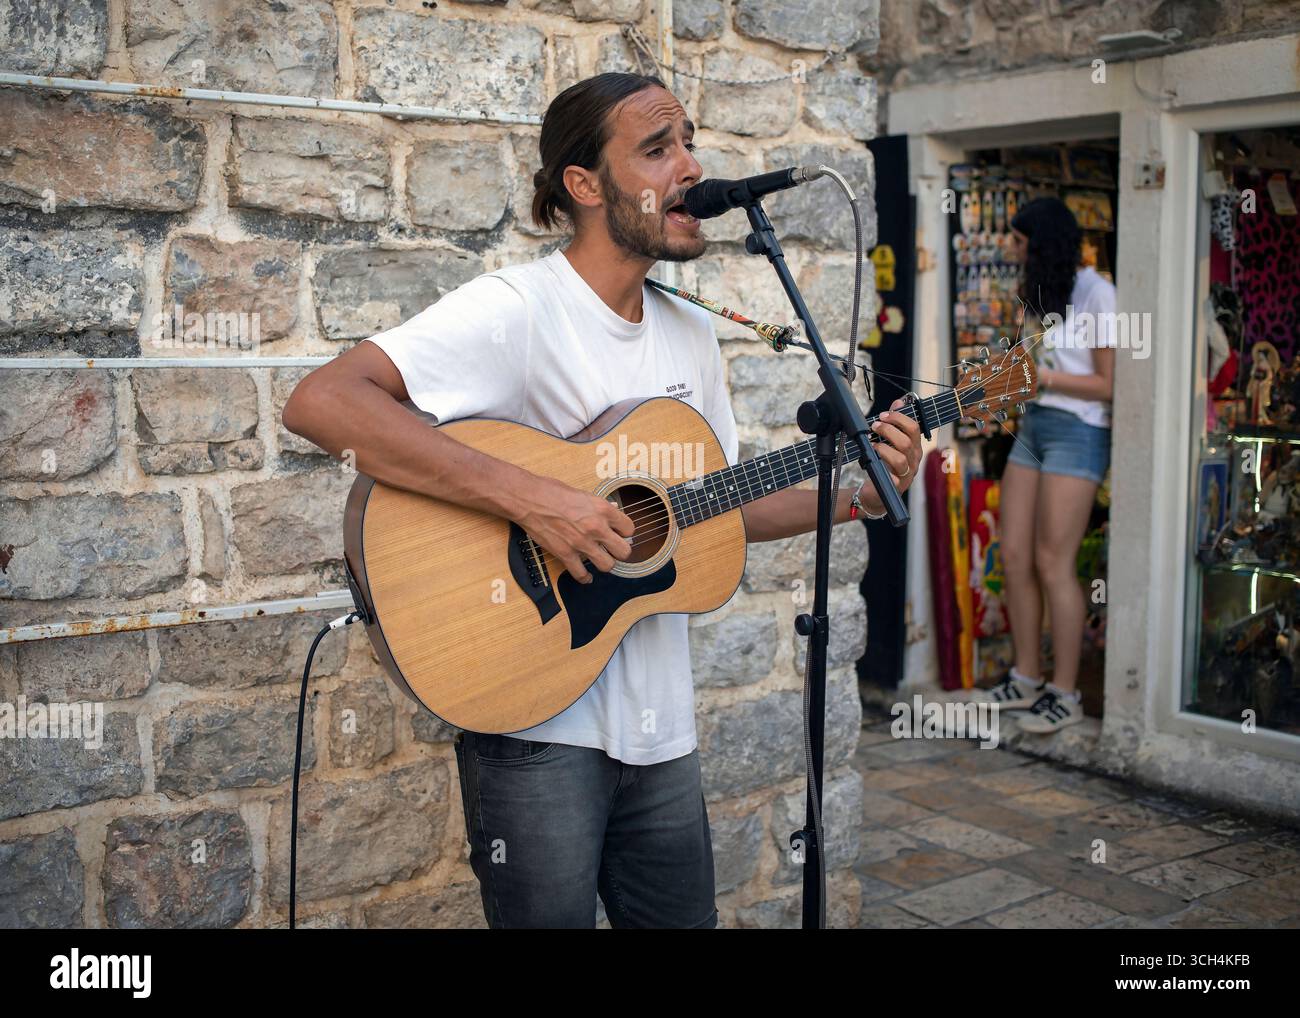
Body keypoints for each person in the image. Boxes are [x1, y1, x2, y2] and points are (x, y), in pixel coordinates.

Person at [282, 72, 922, 928]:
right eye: (658, 148)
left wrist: (859, 499)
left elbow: (711, 508)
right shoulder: (519, 310)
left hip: (663, 738)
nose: (690, 165)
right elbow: (324, 403)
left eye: (689, 141)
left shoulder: (690, 331)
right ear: (584, 185)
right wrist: (536, 500)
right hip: (536, 731)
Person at [977, 197, 1115, 733]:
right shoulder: (1037, 290)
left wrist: (1041, 380)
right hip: (1035, 426)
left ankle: (1067, 692)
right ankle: (1026, 675)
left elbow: (1109, 384)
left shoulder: (1100, 294)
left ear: (1042, 241)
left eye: (1019, 239)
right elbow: (1032, 365)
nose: (1012, 247)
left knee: (1053, 560)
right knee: (1013, 553)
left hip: (1079, 430)